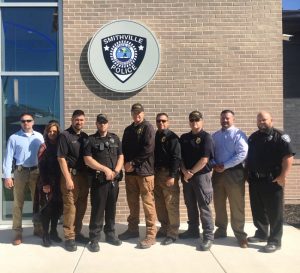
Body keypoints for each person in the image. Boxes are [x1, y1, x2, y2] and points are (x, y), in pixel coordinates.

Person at [246, 111, 295, 253]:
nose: (261, 122)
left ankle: (275, 241)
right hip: (255, 180)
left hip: (272, 180)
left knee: (275, 212)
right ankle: (261, 233)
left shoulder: (281, 136)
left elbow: (288, 157)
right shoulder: (253, 137)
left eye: (264, 120)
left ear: (271, 120)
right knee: (258, 209)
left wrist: (282, 176)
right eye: (259, 120)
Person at [118, 103, 157, 249]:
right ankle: (133, 229)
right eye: (134, 113)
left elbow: (148, 148)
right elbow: (124, 149)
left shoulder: (148, 127)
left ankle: (151, 234)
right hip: (130, 174)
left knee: (148, 204)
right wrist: (125, 164)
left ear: (143, 113)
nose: (137, 115)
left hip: (145, 173)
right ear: (131, 114)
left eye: (139, 112)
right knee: (132, 203)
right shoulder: (128, 130)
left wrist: (133, 163)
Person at [84, 114, 124, 252]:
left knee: (111, 208)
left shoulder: (115, 138)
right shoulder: (91, 140)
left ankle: (110, 234)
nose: (102, 125)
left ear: (108, 123)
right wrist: (105, 169)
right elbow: (87, 159)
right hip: (99, 181)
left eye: (105, 122)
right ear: (96, 124)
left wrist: (116, 171)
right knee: (98, 210)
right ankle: (94, 239)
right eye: (100, 122)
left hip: (114, 180)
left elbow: (121, 156)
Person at [3, 113, 44, 245]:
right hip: (20, 172)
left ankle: (38, 228)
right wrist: (7, 176)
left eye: (28, 120)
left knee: (37, 202)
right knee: (17, 203)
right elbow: (8, 157)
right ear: (20, 123)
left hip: (36, 172)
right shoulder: (14, 138)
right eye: (23, 121)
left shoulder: (39, 137)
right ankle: (17, 233)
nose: (26, 123)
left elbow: (43, 155)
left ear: (33, 122)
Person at [211, 110, 248, 248]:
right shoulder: (215, 135)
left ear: (233, 119)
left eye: (227, 118)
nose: (224, 121)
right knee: (219, 204)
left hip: (234, 173)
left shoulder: (238, 134)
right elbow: (211, 153)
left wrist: (225, 165)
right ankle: (221, 230)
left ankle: (240, 235)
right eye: (222, 118)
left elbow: (243, 153)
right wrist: (214, 163)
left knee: (236, 205)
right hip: (218, 174)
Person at [179, 111, 214, 251]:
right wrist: (184, 172)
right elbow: (180, 157)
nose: (194, 122)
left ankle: (208, 236)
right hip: (187, 176)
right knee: (190, 204)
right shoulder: (184, 138)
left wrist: (191, 172)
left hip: (201, 177)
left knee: (204, 206)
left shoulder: (206, 138)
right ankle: (193, 230)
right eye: (192, 120)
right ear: (189, 122)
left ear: (202, 121)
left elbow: (204, 159)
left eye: (197, 120)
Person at [57, 110, 90, 252]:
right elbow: (61, 158)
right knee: (70, 207)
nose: (79, 122)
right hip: (70, 175)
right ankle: (69, 237)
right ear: (72, 120)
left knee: (82, 206)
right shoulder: (65, 135)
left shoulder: (85, 136)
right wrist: (68, 178)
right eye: (77, 120)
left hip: (83, 176)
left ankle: (77, 233)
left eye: (81, 120)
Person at [154, 113, 181, 245]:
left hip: (168, 175)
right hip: (157, 174)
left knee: (171, 204)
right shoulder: (156, 136)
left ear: (168, 122)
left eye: (164, 121)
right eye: (158, 121)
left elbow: (177, 158)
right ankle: (164, 228)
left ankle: (173, 233)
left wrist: (173, 176)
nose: (161, 123)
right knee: (160, 204)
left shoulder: (172, 138)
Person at [36, 121, 63, 247]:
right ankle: (45, 234)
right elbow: (41, 167)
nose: (52, 133)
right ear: (47, 132)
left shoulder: (60, 145)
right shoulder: (44, 146)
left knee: (57, 209)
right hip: (47, 182)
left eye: (55, 131)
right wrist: (45, 183)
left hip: (59, 182)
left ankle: (53, 232)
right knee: (47, 209)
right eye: (50, 131)